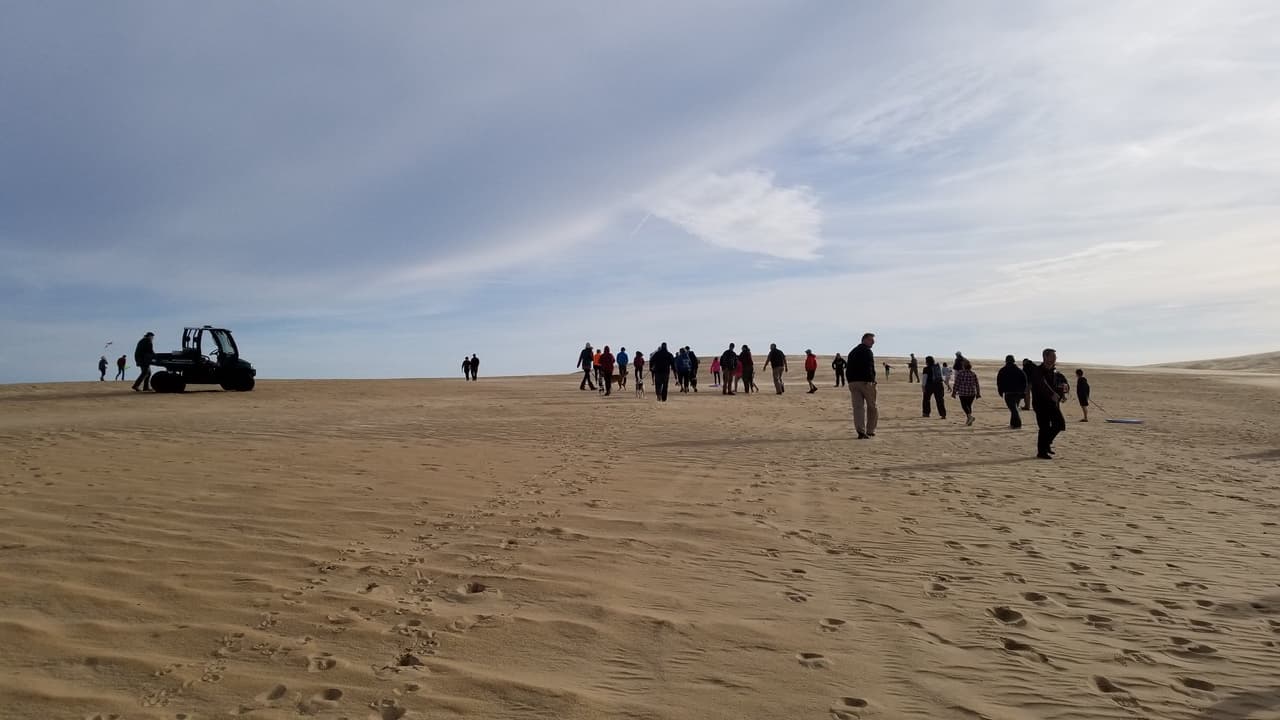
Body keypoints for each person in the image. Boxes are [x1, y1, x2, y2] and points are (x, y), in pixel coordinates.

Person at [1030, 348, 1067, 460]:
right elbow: (1041, 385)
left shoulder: (1055, 372)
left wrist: (1064, 391)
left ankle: (1046, 444)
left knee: (1060, 424)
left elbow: (1063, 383)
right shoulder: (1037, 371)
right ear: (1045, 357)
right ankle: (1041, 451)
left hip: (1053, 404)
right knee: (1044, 427)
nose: (1054, 359)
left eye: (1055, 357)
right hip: (1040, 404)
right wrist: (1052, 394)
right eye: (1052, 356)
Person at [846, 333, 878, 439]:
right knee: (872, 406)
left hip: (853, 382)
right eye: (871, 340)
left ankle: (861, 431)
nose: (873, 342)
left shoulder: (852, 351)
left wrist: (850, 381)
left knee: (858, 407)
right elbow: (870, 367)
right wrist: (872, 380)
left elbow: (848, 368)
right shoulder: (867, 351)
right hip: (865, 382)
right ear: (864, 340)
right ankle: (870, 430)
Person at [996, 355, 1027, 429]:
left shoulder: (1003, 370)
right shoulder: (1019, 370)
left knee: (1014, 409)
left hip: (1009, 393)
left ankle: (1018, 424)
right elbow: (1024, 382)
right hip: (1017, 393)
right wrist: (1023, 392)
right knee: (1014, 408)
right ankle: (1013, 424)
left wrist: (1000, 391)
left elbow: (999, 382)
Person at [951, 359, 981, 426]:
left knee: (964, 406)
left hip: (963, 392)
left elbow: (956, 384)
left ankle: (970, 417)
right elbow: (977, 384)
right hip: (972, 393)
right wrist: (978, 393)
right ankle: (969, 420)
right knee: (969, 406)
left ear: (963, 366)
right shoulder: (973, 374)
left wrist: (954, 392)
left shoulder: (960, 373)